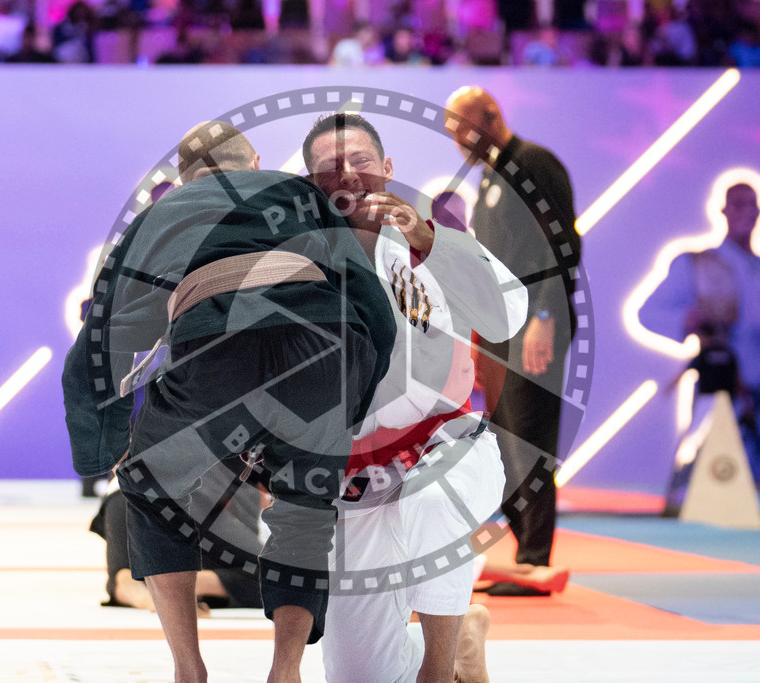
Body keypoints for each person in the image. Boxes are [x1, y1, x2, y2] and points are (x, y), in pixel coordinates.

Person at [62, 121, 395, 683]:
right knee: (305, 511)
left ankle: (188, 670)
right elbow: (375, 311)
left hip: (219, 342)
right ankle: (285, 670)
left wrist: (101, 446)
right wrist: (352, 407)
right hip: (326, 347)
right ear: (256, 160)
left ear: (183, 180)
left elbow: (104, 334)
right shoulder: (302, 195)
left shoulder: (163, 213)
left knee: (149, 487)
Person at [303, 113, 528, 682]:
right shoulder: (299, 263)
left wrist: (432, 243)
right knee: (357, 675)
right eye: (330, 167)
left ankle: (437, 666)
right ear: (312, 184)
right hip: (358, 478)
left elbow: (507, 316)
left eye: (361, 160)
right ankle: (463, 635)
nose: (347, 173)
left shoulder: (430, 240)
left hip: (447, 444)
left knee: (430, 502)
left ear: (387, 169)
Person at [445, 86, 581, 597]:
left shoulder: (534, 164)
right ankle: (525, 556)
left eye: (462, 130)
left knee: (529, 438)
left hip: (533, 323)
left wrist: (544, 315)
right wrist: (478, 336)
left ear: (490, 117)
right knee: (503, 441)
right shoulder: (492, 175)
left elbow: (561, 245)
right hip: (500, 327)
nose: (458, 143)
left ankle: (535, 558)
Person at [637, 182, 760, 487]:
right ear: (723, 210)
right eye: (738, 205)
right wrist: (687, 320)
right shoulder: (699, 263)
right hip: (717, 389)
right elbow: (649, 313)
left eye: (752, 206)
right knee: (704, 488)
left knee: (757, 491)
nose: (746, 213)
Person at [90, 469, 263, 613]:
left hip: (139, 489)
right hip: (184, 495)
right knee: (271, 577)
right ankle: (173, 585)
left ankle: (171, 585)